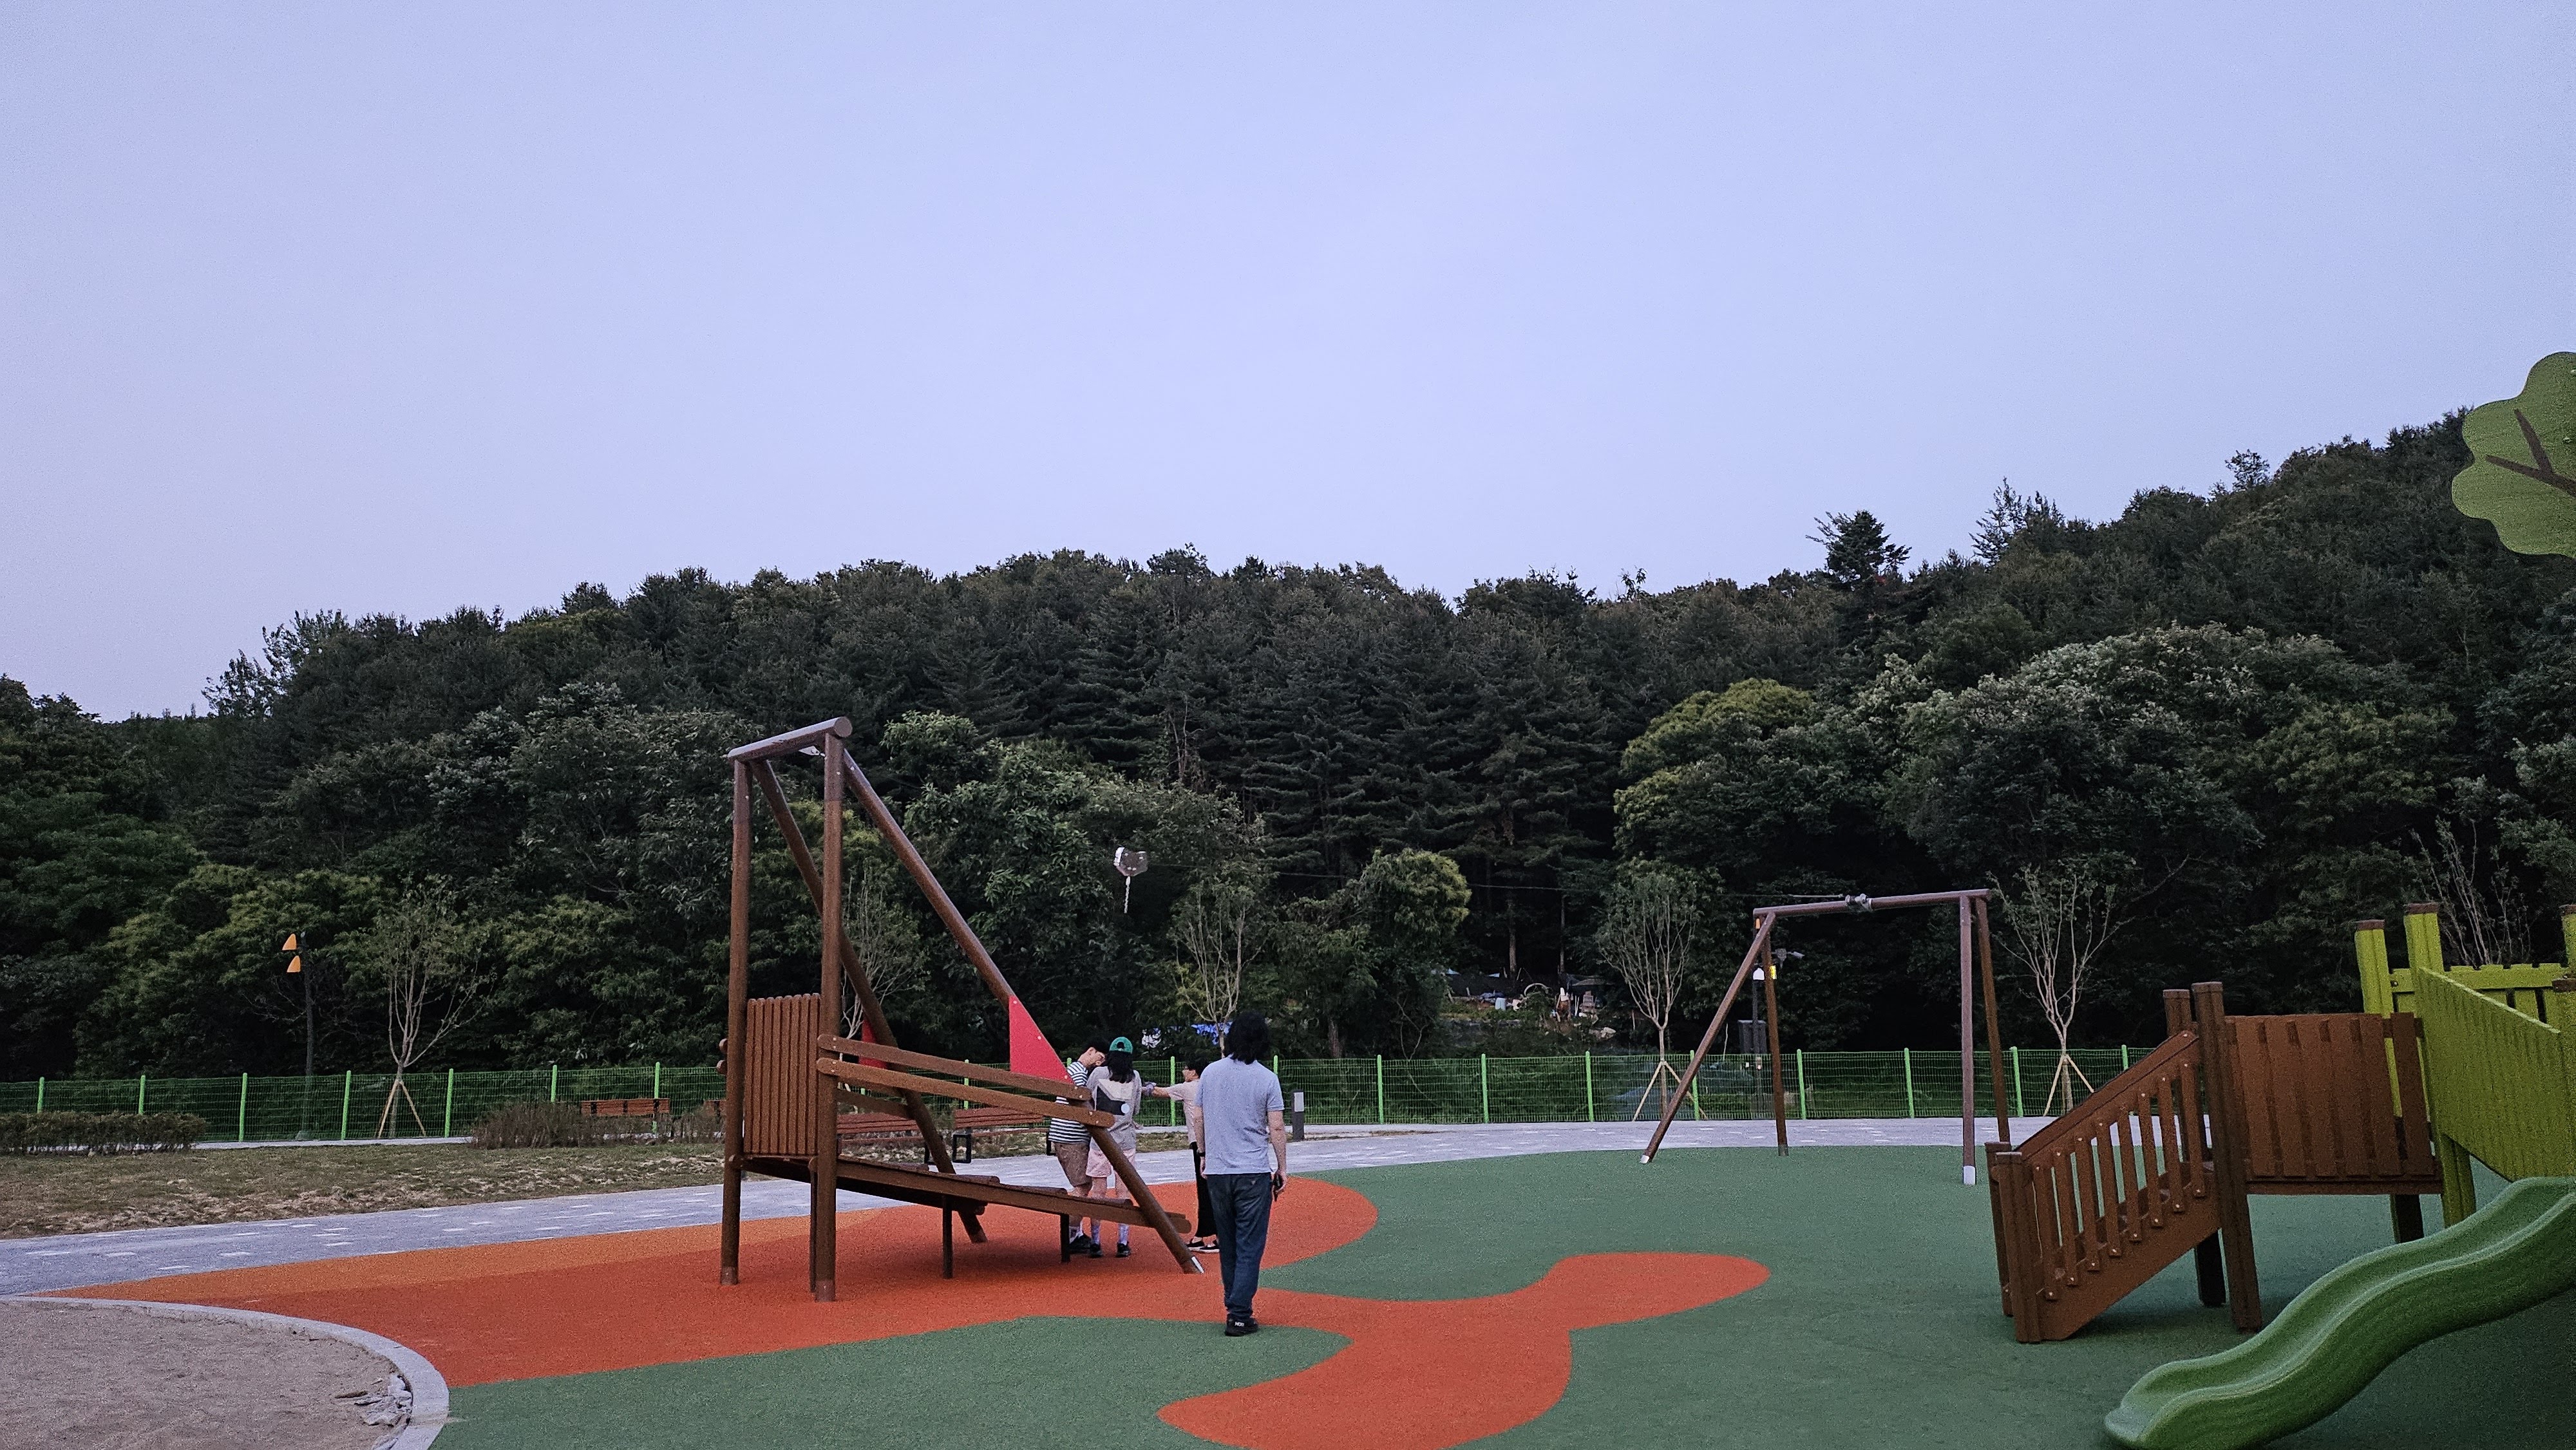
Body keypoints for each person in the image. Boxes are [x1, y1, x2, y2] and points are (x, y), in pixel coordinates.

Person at [1198, 1010, 1287, 1335]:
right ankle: (1239, 1312)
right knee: (1250, 1244)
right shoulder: (1267, 1079)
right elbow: (1276, 1127)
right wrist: (1282, 1167)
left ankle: (1232, 1302)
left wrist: (1204, 1154)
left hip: (1218, 1170)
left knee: (1229, 1243)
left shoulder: (1210, 1073)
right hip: (1253, 1171)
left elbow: (1199, 1118)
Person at [1083, 1037, 1150, 1257]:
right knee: (1123, 1191)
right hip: (1125, 1141)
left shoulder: (1098, 1074)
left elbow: (1088, 1099)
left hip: (1101, 1141)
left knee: (1098, 1192)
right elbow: (1136, 1109)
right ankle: (1122, 1242)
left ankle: (1095, 1242)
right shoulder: (1135, 1077)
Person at [1050, 1037, 1108, 1254]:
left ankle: (1075, 1232)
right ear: (1091, 1051)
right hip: (1071, 1138)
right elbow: (1082, 1108)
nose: (1100, 1063)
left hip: (1069, 1137)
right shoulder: (1078, 1074)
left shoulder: (1076, 1071)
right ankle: (1071, 1234)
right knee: (1083, 1186)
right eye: (1100, 1057)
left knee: (1083, 1184)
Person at [1158, 1055, 1218, 1252]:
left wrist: (1134, 1085)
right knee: (1213, 1187)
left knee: (1206, 1188)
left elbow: (1160, 1092)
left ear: (1193, 1072)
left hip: (1200, 1143)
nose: (1183, 1071)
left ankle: (1217, 1235)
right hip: (1216, 1141)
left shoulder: (1188, 1087)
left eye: (1186, 1068)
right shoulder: (1212, 1086)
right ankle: (1204, 1234)